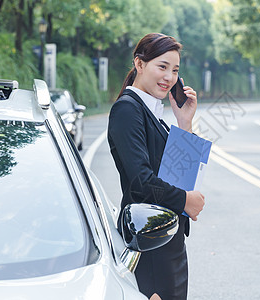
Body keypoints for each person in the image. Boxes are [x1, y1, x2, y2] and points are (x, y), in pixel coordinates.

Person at [107, 33, 205, 299]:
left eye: (175, 70)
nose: (169, 77)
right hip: (149, 240)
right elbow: (141, 179)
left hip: (166, 238)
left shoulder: (150, 112)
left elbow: (178, 174)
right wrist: (184, 200)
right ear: (140, 64)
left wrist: (184, 123)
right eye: (162, 67)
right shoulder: (128, 110)